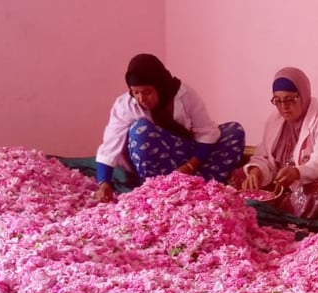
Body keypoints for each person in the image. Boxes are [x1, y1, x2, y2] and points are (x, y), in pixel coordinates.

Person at [95, 54, 245, 202]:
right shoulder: (125, 106)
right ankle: (156, 189)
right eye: (135, 92)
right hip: (157, 164)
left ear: (160, 86)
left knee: (234, 131)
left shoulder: (185, 95)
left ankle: (198, 186)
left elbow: (207, 133)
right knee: (140, 131)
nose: (141, 99)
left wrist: (189, 167)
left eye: (147, 92)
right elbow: (109, 148)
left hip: (189, 155)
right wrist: (104, 183)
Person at [235, 66, 318, 220]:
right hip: (283, 186)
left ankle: (277, 216)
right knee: (240, 176)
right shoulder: (275, 120)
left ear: (303, 95)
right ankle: (273, 211)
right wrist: (256, 172)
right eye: (277, 100)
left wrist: (298, 172)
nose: (283, 107)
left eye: (289, 100)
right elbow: (264, 156)